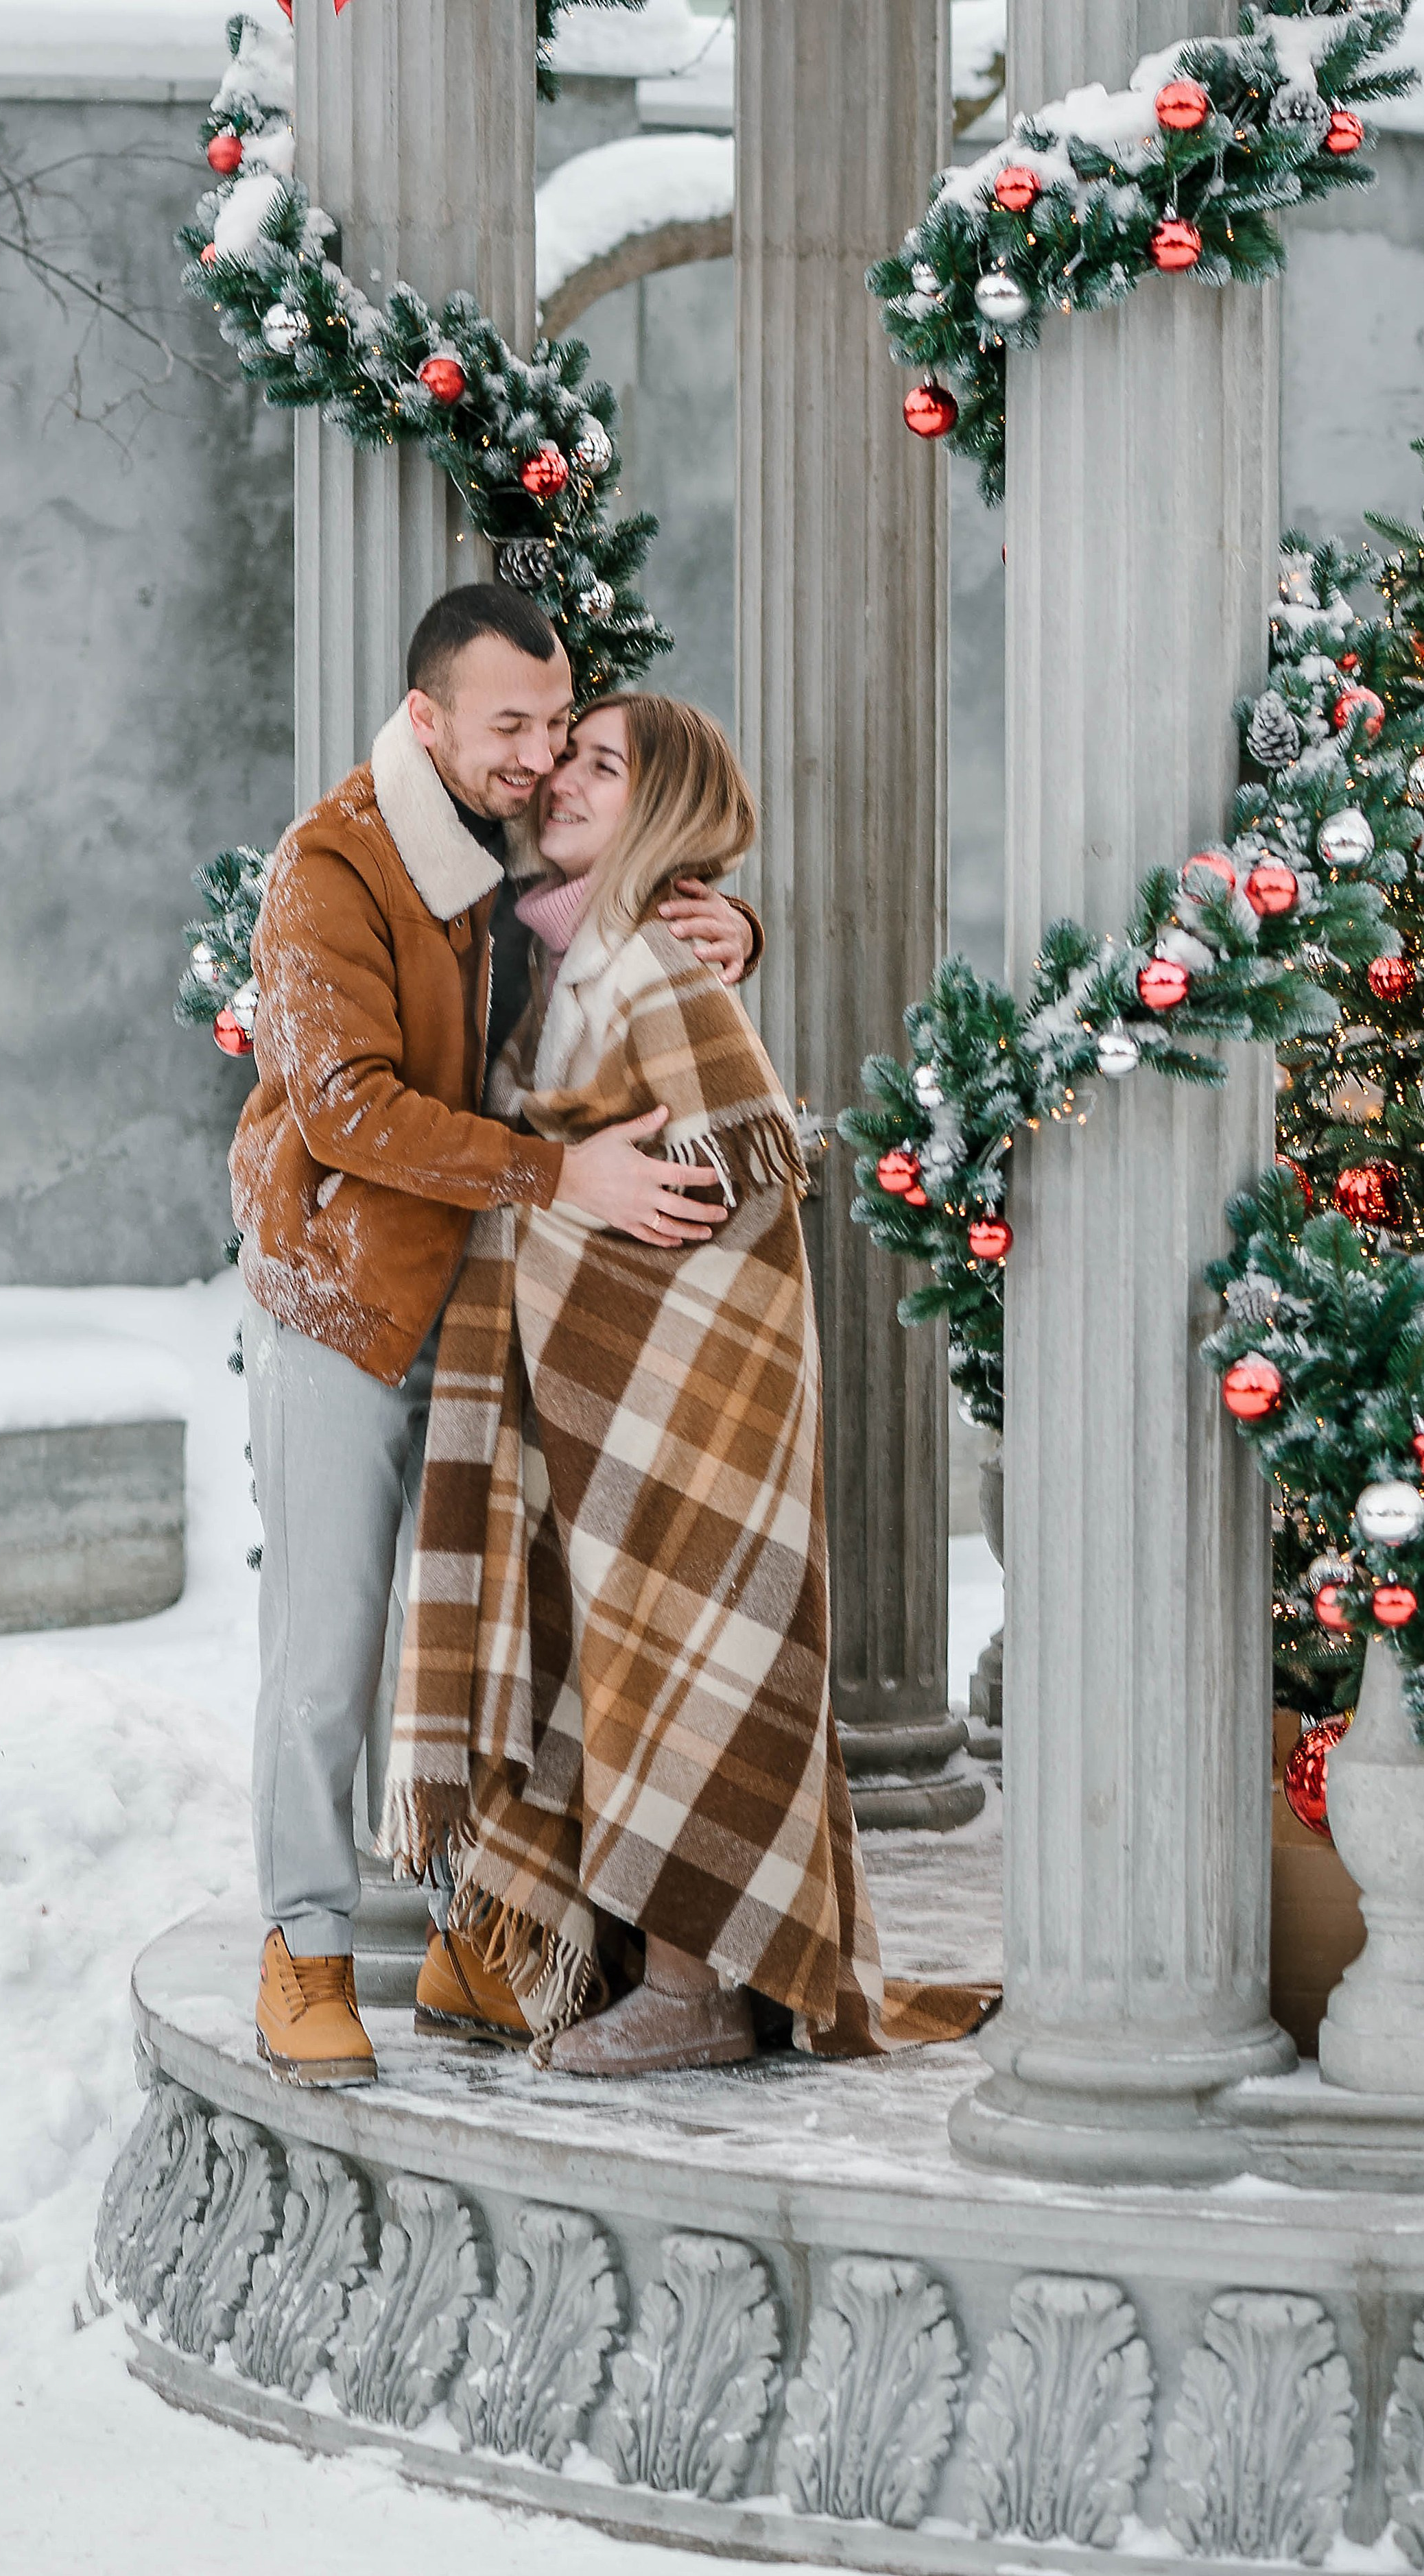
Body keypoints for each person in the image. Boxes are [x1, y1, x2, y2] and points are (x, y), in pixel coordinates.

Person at [383, 693, 992, 2074]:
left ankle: (696, 1988)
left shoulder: (648, 963)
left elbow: (731, 1167)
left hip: (691, 1388)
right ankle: (611, 1957)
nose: (569, 781)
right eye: (569, 757)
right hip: (607, 1387)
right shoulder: (570, 943)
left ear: (662, 813)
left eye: (609, 768)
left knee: (689, 1655)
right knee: (628, 1661)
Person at [235, 586, 761, 2086]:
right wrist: (557, 1174)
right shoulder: (333, 863)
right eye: (510, 728)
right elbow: (344, 1106)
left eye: (555, 722)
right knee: (330, 1647)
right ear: (431, 722)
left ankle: (484, 1931)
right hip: (347, 1299)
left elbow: (619, 930)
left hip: (500, 1307)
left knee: (482, 1638)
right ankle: (305, 1943)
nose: (541, 759)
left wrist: (731, 918)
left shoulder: (525, 840)